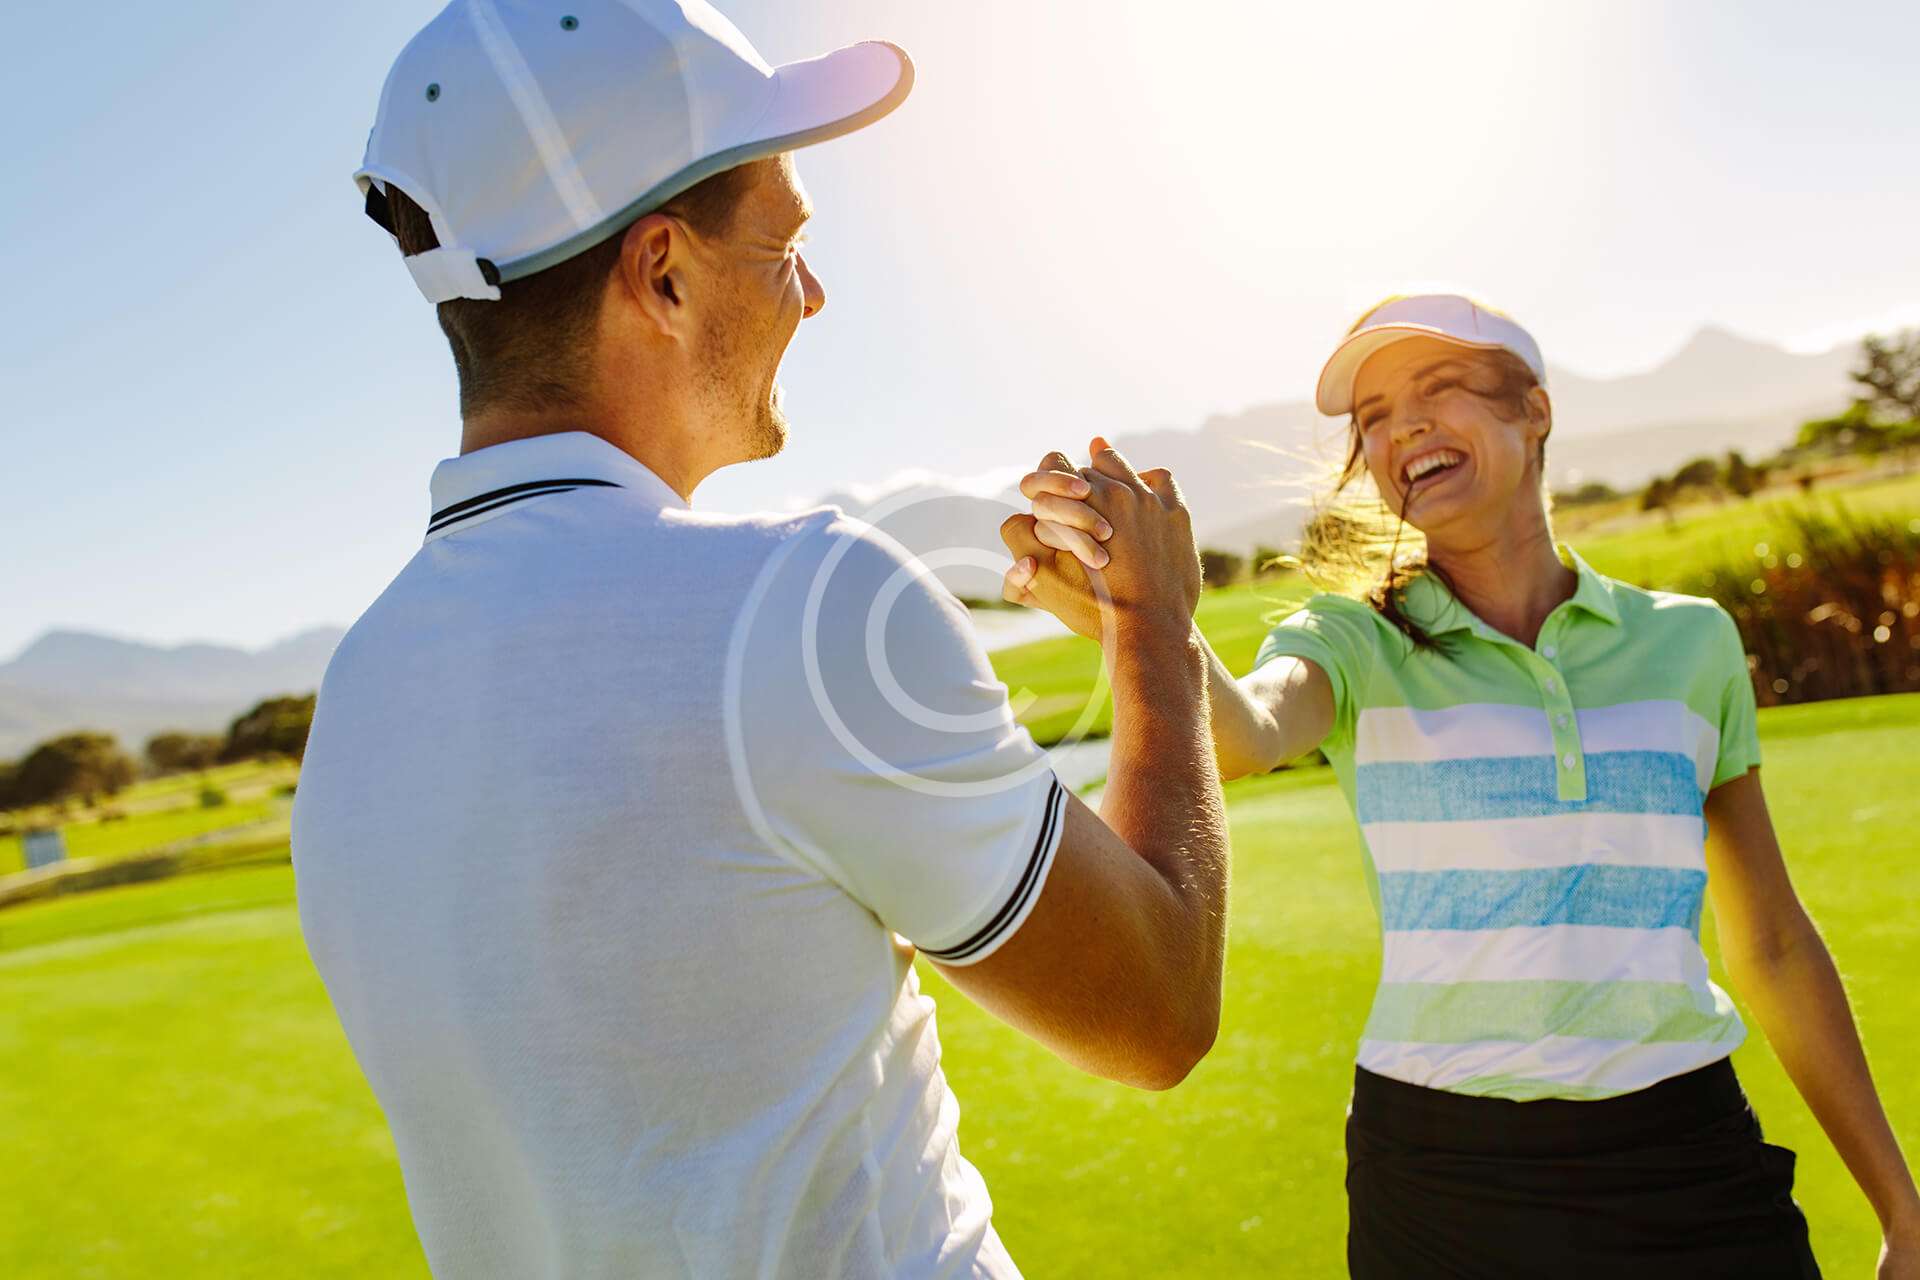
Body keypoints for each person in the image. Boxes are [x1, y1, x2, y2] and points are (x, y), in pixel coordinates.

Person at [292, 4, 1229, 1277]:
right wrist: (1154, 627)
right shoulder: (805, 600)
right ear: (664, 273)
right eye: (786, 245)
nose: (815, 293)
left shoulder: (356, 691)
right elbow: (1157, 1009)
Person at [1005, 294, 1920, 1278]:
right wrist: (1141, 618)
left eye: (1438, 389)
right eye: (1374, 417)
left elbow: (1773, 941)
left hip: (1689, 1152)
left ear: (1535, 410)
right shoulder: (1353, 636)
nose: (1402, 428)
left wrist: (1902, 1211)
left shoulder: (1691, 639)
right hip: (1441, 1177)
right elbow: (1247, 731)